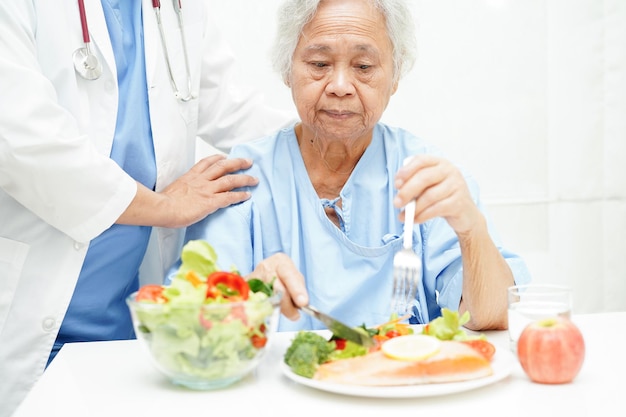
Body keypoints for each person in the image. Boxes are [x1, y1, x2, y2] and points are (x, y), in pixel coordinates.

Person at [0, 1, 294, 415]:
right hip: (33, 318)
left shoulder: (177, 8)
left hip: (131, 327)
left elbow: (228, 106)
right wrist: (165, 207)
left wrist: (337, 136)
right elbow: (24, 142)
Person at [176, 0, 531, 334]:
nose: (341, 86)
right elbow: (190, 330)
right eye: (319, 64)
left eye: (363, 67)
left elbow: (493, 316)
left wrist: (471, 230)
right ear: (287, 70)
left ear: (395, 75)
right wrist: (247, 293)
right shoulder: (241, 179)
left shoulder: (426, 175)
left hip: (401, 387)